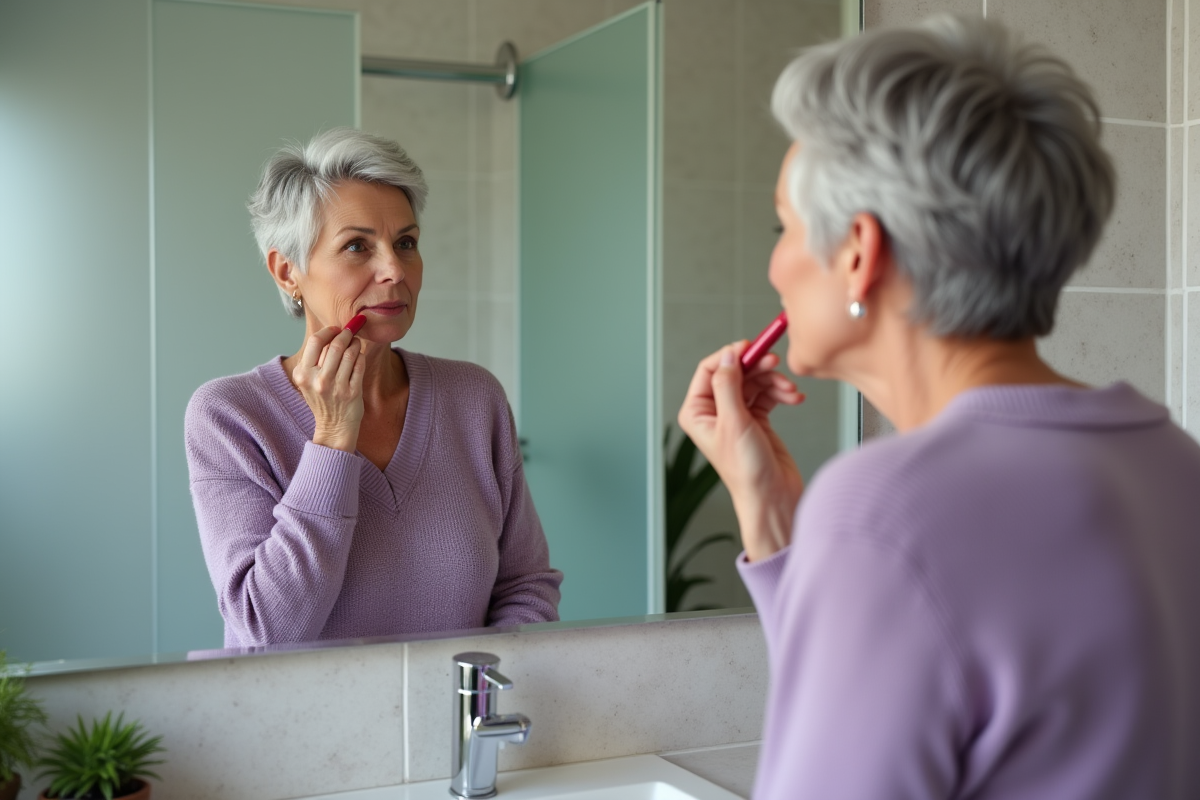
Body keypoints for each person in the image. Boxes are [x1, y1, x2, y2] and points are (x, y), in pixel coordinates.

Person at [678, 15, 1200, 799]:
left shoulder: (886, 511)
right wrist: (770, 514)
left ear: (859, 253)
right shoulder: (1172, 460)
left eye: (784, 226)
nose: (775, 265)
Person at [185, 128, 562, 648]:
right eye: (357, 246)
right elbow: (266, 631)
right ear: (287, 271)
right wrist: (332, 438)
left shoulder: (475, 398)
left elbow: (525, 587)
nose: (394, 270)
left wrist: (470, 690)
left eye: (405, 243)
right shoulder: (229, 416)